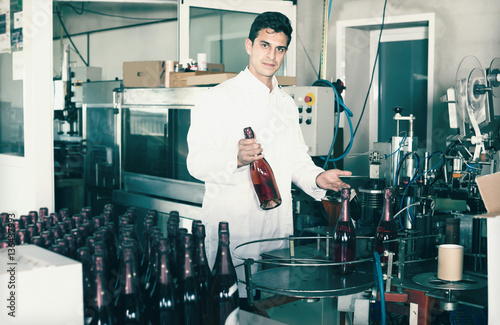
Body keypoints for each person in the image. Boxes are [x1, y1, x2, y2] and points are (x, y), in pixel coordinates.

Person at [186, 11, 352, 299]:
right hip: (234, 228)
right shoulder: (217, 98)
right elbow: (196, 163)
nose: (271, 56)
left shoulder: (286, 104)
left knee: (271, 304)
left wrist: (319, 177)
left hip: (275, 228)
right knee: (231, 306)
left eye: (279, 48)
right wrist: (235, 158)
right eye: (264, 45)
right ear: (249, 45)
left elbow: (297, 159)